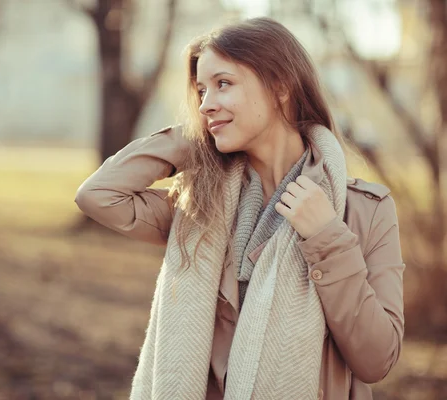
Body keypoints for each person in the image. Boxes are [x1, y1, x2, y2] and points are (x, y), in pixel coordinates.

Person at [75, 17, 404, 400]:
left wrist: (328, 239)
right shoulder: (199, 206)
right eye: (200, 91)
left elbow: (377, 359)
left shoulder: (365, 211)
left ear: (280, 86)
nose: (206, 105)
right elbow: (98, 195)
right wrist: (194, 139)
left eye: (223, 84)